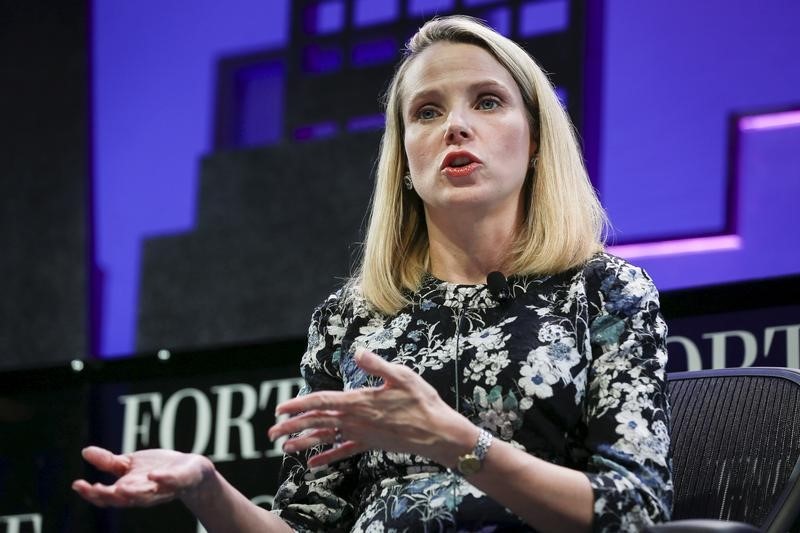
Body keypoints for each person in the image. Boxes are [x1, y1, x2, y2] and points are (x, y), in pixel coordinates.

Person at [73, 15, 672, 532]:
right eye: (427, 112)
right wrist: (204, 487)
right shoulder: (348, 321)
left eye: (487, 101)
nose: (455, 127)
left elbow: (636, 513)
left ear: (537, 139)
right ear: (405, 158)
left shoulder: (605, 293)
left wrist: (458, 443)